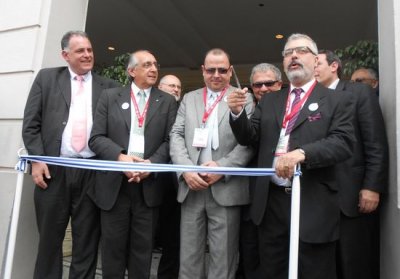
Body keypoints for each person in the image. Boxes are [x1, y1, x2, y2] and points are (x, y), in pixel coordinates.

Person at [228, 33, 355, 279]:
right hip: (271, 205)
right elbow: (250, 137)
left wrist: (303, 153)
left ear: (316, 61)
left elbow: (343, 142)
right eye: (288, 53)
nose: (293, 56)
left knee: (313, 270)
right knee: (272, 270)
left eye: (301, 51)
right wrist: (236, 114)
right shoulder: (271, 100)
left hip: (313, 201)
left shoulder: (337, 99)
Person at [22, 30, 119, 279]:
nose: (87, 55)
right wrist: (37, 159)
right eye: (80, 51)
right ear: (65, 55)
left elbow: (117, 130)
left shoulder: (109, 87)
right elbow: (31, 125)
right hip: (53, 171)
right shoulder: (47, 79)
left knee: (86, 242)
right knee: (49, 243)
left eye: (89, 50)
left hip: (92, 172)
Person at [89, 50, 178, 278]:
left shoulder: (167, 101)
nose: (153, 69)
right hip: (114, 187)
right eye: (147, 64)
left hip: (148, 189)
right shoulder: (110, 97)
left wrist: (151, 164)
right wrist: (120, 158)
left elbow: (172, 140)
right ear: (131, 71)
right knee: (112, 251)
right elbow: (96, 138)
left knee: (142, 252)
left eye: (155, 64)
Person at [169, 48, 254, 279]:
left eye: (222, 70)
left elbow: (248, 143)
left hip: (225, 187)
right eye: (211, 70)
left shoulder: (242, 98)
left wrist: (223, 168)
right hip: (192, 186)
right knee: (189, 256)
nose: (216, 74)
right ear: (203, 71)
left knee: (223, 257)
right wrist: (186, 170)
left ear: (231, 71)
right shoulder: (190, 98)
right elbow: (176, 134)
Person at [315, 49, 388, 279]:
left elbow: (375, 142)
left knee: (355, 262)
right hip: (318, 198)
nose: (312, 69)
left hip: (353, 195)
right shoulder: (310, 99)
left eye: (317, 63)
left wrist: (372, 187)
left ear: (334, 66)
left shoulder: (359, 93)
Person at [236, 63, 283, 279]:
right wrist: (236, 113)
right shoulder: (243, 105)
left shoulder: (291, 106)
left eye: (269, 83)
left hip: (279, 191)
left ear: (280, 84)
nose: (263, 88)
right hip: (246, 192)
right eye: (257, 85)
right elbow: (247, 138)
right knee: (250, 248)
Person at [156, 74, 182, 279]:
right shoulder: (151, 110)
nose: (176, 89)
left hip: (177, 185)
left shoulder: (185, 112)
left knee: (173, 238)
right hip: (151, 179)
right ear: (160, 88)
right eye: (171, 86)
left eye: (179, 87)